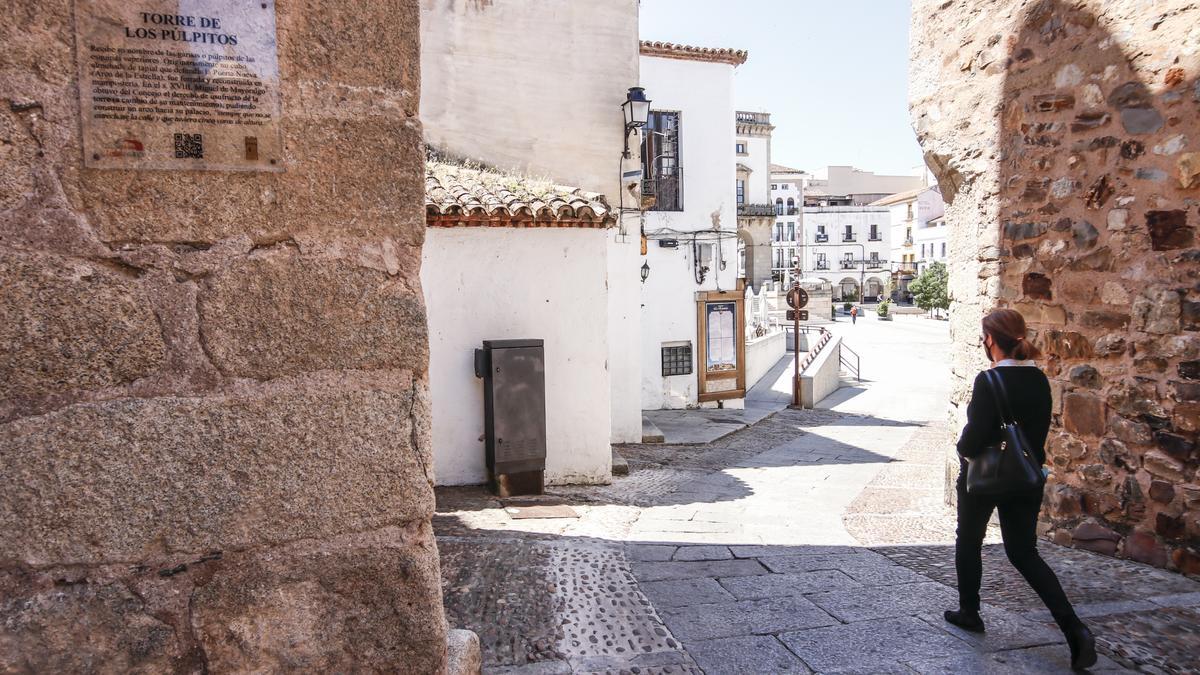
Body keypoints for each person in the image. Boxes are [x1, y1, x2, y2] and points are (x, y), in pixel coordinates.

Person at [947, 308, 1096, 670]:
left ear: (991, 339)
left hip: (984, 478)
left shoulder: (988, 380)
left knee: (969, 540)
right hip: (1026, 477)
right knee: (1024, 553)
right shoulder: (1039, 379)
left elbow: (974, 438)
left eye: (984, 337)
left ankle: (970, 611)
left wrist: (962, 448)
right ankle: (1074, 628)